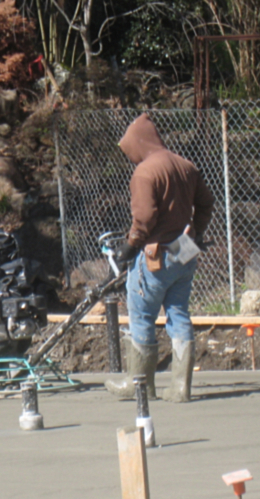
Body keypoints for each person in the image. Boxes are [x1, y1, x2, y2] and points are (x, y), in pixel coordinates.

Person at [105, 113, 215, 403]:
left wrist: (130, 246)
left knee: (141, 313)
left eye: (131, 152)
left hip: (156, 253)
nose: (131, 159)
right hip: (184, 249)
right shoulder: (185, 166)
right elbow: (206, 203)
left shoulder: (145, 172)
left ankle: (138, 383)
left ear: (139, 145)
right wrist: (196, 233)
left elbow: (144, 217)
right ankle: (181, 387)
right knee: (178, 312)